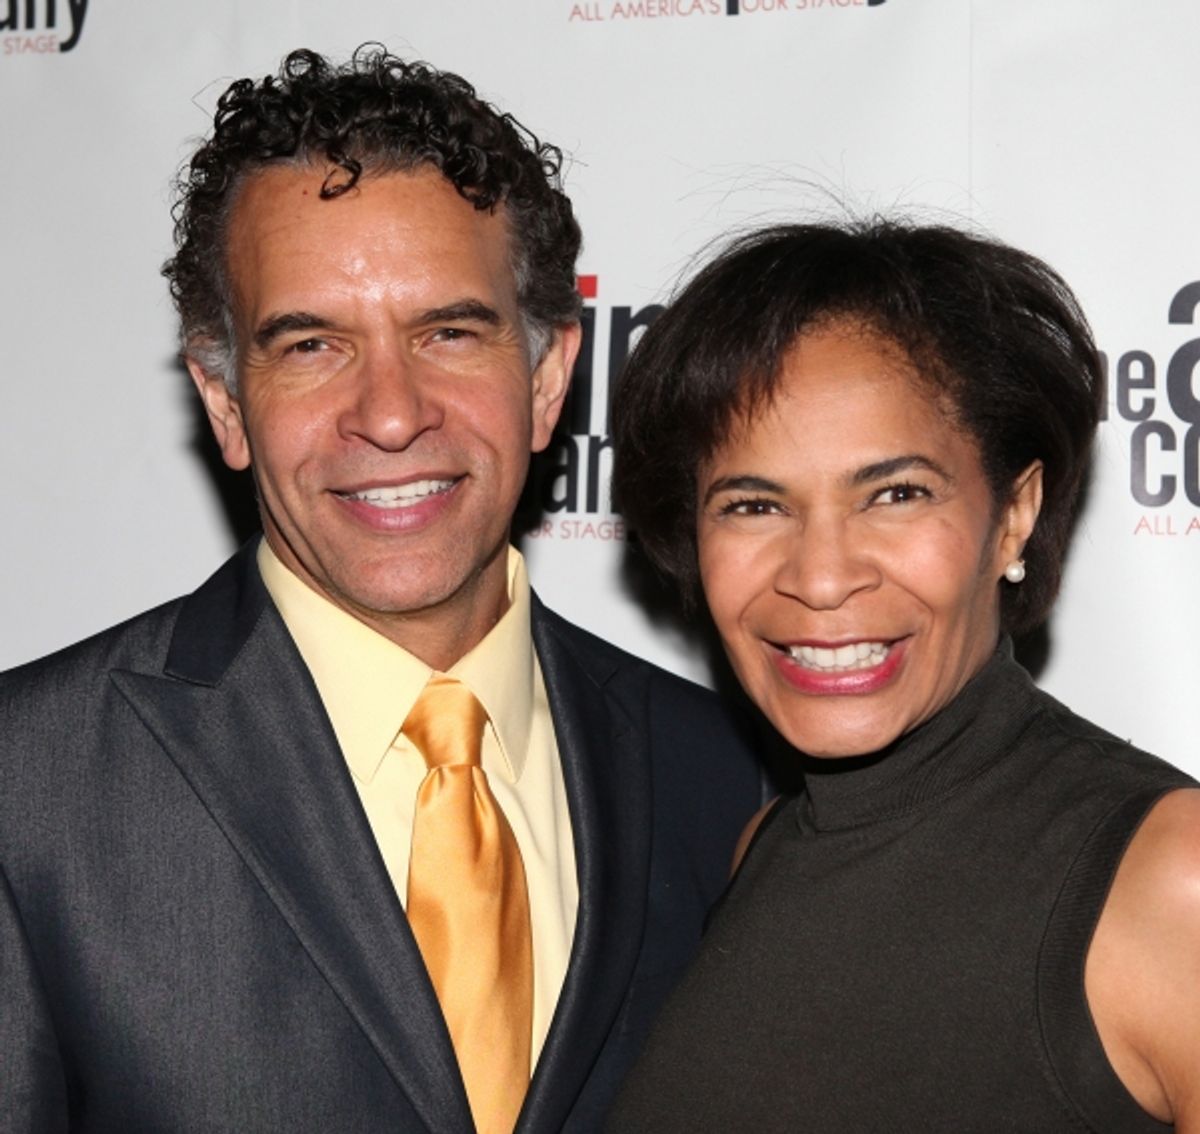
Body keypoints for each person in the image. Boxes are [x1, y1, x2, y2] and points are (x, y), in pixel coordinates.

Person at [0, 47, 763, 1134]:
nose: (392, 414)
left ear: (547, 379)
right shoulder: (28, 792)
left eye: (449, 332)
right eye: (311, 345)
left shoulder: (730, 783)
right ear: (224, 401)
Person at [606, 220, 1200, 1131]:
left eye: (895, 494)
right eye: (753, 504)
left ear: (1013, 517)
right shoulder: (764, 846)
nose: (822, 575)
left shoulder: (1169, 879)